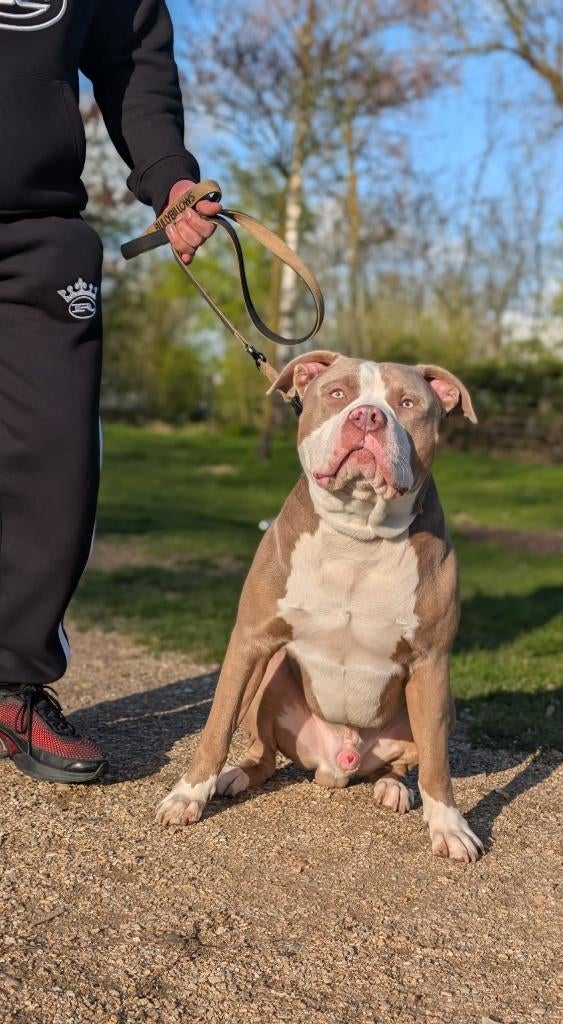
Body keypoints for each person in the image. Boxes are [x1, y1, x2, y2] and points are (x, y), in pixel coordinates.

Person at [0, 0, 220, 783]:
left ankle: (12, 683)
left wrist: (170, 176)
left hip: (37, 233)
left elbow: (133, 60)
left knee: (57, 457)